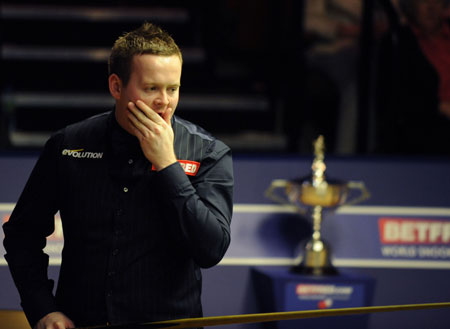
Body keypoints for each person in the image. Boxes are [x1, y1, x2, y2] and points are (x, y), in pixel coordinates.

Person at [3, 22, 234, 329]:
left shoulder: (208, 152)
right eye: (151, 88)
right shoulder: (68, 145)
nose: (164, 101)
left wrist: (168, 165)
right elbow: (22, 235)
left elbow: (210, 249)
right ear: (116, 86)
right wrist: (43, 308)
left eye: (173, 89)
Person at [375, 0, 450, 154]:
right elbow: (395, 102)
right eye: (423, 1)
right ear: (410, 6)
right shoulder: (396, 43)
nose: (431, 7)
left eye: (437, 1)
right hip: (425, 132)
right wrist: (440, 107)